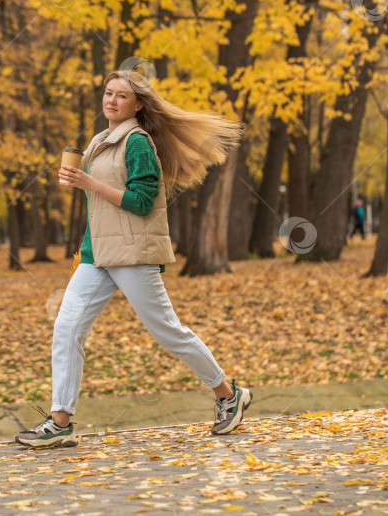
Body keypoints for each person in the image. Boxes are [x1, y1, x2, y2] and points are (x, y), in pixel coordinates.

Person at [15, 70, 250, 448]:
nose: (111, 100)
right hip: (98, 254)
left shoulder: (137, 142)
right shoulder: (99, 140)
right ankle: (60, 422)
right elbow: (101, 205)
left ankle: (228, 394)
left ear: (137, 104)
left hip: (133, 254)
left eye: (121, 96)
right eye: (108, 93)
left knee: (167, 331)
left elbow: (142, 202)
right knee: (67, 327)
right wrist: (83, 220)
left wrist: (89, 183)